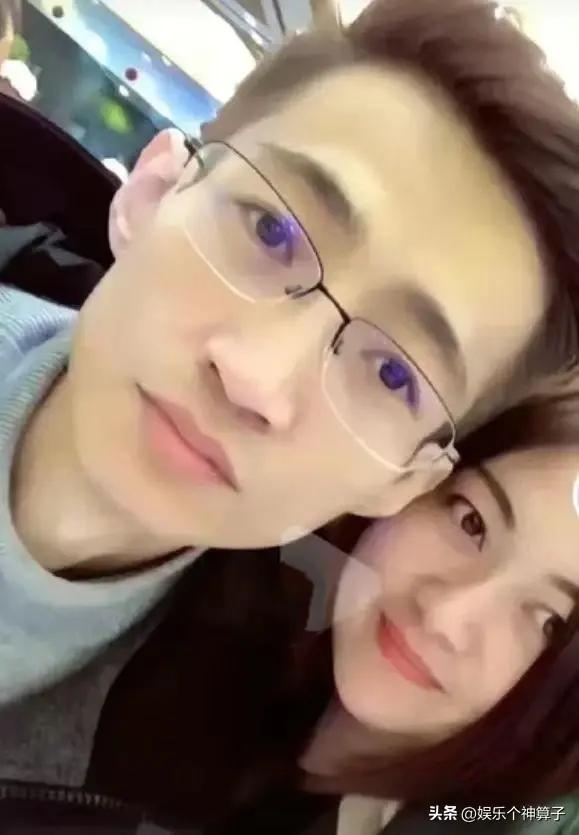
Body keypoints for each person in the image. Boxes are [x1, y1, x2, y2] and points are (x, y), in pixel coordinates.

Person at [1, 0, 579, 813]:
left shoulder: (185, 777)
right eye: (270, 231)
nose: (256, 378)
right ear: (155, 189)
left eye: (392, 375)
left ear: (401, 482)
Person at [23, 386, 573, 835]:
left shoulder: (477, 819)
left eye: (550, 623)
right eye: (471, 522)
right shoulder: (220, 558)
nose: (447, 615)